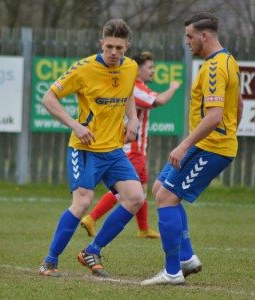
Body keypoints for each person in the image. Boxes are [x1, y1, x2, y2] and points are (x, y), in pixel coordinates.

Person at [141, 12, 243, 285]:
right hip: (211, 144)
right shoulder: (229, 60)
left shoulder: (213, 68)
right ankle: (186, 258)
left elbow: (214, 116)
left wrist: (184, 145)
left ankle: (172, 271)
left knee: (166, 199)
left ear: (204, 36)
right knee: (160, 190)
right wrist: (230, 133)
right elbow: (238, 105)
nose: (186, 41)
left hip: (210, 147)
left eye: (189, 36)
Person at [39, 19, 144, 278]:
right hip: (85, 148)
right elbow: (48, 98)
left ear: (126, 47)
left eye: (119, 48)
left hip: (113, 150)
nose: (114, 53)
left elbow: (128, 92)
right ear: (101, 43)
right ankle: (49, 262)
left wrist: (133, 118)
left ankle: (92, 250)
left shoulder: (130, 67)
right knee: (83, 201)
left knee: (135, 197)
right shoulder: (84, 69)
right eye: (109, 46)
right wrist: (75, 125)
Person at [80, 51, 180, 239]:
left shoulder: (137, 86)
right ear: (138, 69)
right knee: (125, 191)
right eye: (149, 67)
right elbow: (159, 101)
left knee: (141, 188)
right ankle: (91, 218)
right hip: (131, 150)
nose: (153, 71)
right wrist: (173, 87)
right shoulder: (134, 87)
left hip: (138, 150)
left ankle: (143, 228)